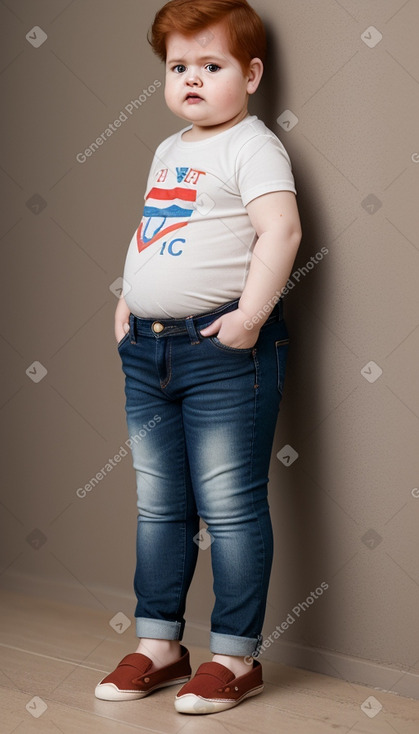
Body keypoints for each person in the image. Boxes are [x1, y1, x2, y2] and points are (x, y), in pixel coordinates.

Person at [95, 0, 301, 715]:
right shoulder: (169, 148)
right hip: (148, 350)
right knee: (159, 503)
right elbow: (154, 223)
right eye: (178, 67)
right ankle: (158, 644)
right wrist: (129, 297)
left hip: (221, 350)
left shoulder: (253, 144)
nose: (190, 80)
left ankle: (235, 655)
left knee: (229, 504)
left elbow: (279, 229)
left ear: (248, 74)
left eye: (209, 66)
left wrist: (249, 317)